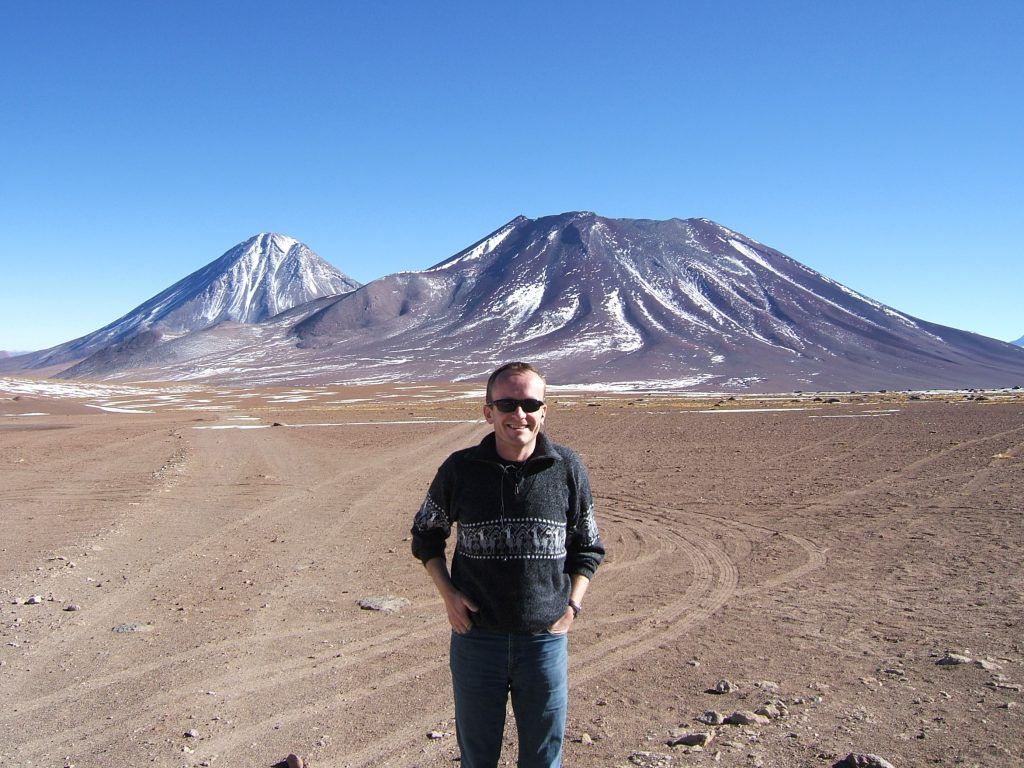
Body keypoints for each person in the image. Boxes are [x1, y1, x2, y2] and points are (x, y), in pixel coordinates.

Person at [411, 362, 605, 768]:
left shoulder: (567, 468)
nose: (520, 414)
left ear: (544, 410)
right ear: (488, 412)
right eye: (507, 404)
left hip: (544, 641)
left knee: (542, 757)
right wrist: (449, 596)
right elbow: (427, 534)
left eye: (531, 403)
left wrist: (572, 607)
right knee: (478, 758)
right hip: (477, 639)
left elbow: (587, 546)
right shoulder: (460, 469)